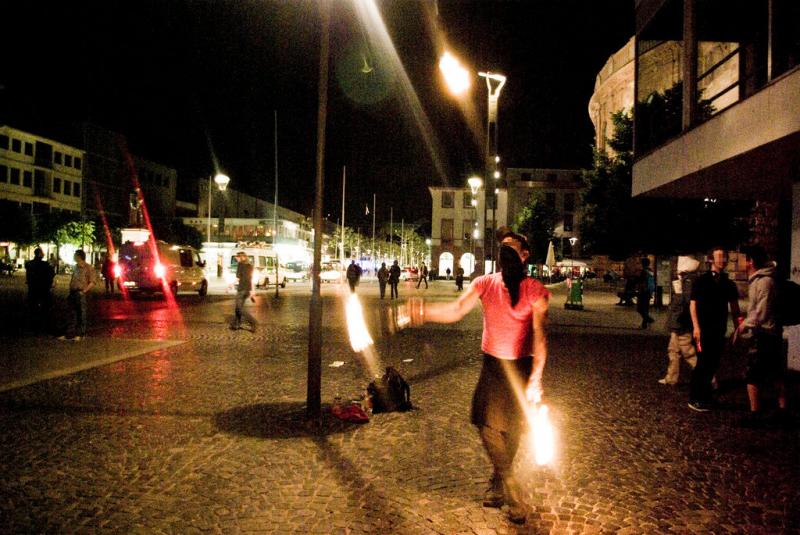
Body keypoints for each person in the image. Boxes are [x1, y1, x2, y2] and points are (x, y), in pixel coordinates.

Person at [407, 227, 549, 524]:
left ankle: (498, 483)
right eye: (503, 250)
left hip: (521, 368)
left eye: (513, 249)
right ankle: (510, 487)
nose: (506, 254)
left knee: (513, 429)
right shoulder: (485, 283)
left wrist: (536, 377)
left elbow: (540, 337)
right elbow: (457, 310)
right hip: (494, 366)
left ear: (525, 256)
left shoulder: (535, 290)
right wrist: (422, 312)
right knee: (485, 423)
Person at [735, 245, 786, 427]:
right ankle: (782, 410)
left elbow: (761, 312)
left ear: (751, 261)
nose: (739, 261)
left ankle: (755, 414)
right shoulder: (759, 279)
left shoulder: (764, 281)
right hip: (766, 332)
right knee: (773, 373)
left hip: (765, 334)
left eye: (743, 258)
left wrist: (743, 326)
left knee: (752, 375)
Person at [688, 246, 741, 412]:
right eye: (719, 257)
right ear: (711, 259)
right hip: (703, 329)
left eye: (724, 257)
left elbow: (735, 307)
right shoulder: (701, 281)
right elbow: (693, 305)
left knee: (713, 363)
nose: (722, 260)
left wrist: (738, 327)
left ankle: (705, 395)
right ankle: (695, 397)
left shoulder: (728, 283)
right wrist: (696, 327)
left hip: (719, 329)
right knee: (703, 363)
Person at [659, 256, 700, 385]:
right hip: (679, 321)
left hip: (682, 322)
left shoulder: (688, 281)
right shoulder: (687, 280)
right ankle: (671, 377)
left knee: (688, 352)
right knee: (673, 350)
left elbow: (686, 302)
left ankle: (708, 378)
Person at [59, 250, 96, 341]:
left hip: (81, 293)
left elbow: (92, 281)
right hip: (73, 292)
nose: (74, 257)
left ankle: (81, 334)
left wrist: (84, 291)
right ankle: (69, 334)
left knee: (81, 314)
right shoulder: (75, 267)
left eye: (75, 255)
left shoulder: (88, 268)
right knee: (71, 313)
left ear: (79, 256)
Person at [25, 247, 55, 335]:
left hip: (32, 288)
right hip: (43, 289)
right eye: (42, 253)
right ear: (39, 254)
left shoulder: (29, 264)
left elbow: (29, 277)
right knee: (46, 308)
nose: (44, 254)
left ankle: (33, 327)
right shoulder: (45, 265)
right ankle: (44, 327)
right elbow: (51, 274)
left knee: (32, 308)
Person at [230, 251, 257, 332]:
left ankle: (252, 322)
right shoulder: (250, 266)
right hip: (248, 290)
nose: (236, 259)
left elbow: (238, 278)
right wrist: (253, 290)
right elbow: (251, 279)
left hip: (242, 289)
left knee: (239, 308)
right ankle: (237, 324)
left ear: (241, 257)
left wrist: (230, 285)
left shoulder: (240, 265)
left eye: (237, 258)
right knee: (237, 307)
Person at [636, 257, 656, 329]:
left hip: (643, 292)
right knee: (645, 308)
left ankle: (649, 320)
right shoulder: (651, 271)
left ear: (642, 263)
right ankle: (644, 324)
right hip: (648, 292)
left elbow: (641, 282)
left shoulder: (643, 272)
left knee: (639, 308)